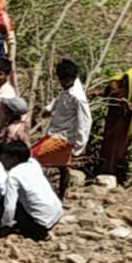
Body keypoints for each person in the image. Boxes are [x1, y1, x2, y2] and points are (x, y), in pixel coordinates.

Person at [31, 59, 92, 200]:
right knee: (62, 166)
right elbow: (59, 98)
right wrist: (49, 109)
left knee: (33, 157)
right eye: (62, 80)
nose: (63, 83)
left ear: (73, 78)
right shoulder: (68, 89)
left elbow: (86, 120)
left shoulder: (77, 97)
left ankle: (44, 194)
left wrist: (80, 145)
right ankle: (60, 197)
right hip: (56, 133)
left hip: (63, 137)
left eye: (66, 80)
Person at [96, 68, 132, 186]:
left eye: (128, 81)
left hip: (123, 129)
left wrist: (129, 107)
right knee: (108, 149)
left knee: (118, 151)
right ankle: (104, 172)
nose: (125, 82)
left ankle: (115, 175)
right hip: (112, 126)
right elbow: (109, 93)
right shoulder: (117, 86)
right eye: (125, 79)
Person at [0, 140, 63, 241]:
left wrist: (5, 226)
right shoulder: (33, 163)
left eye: (5, 157)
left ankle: (39, 233)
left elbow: (9, 207)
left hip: (42, 222)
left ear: (14, 159)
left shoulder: (14, 175)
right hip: (57, 213)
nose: (2, 160)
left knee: (2, 205)